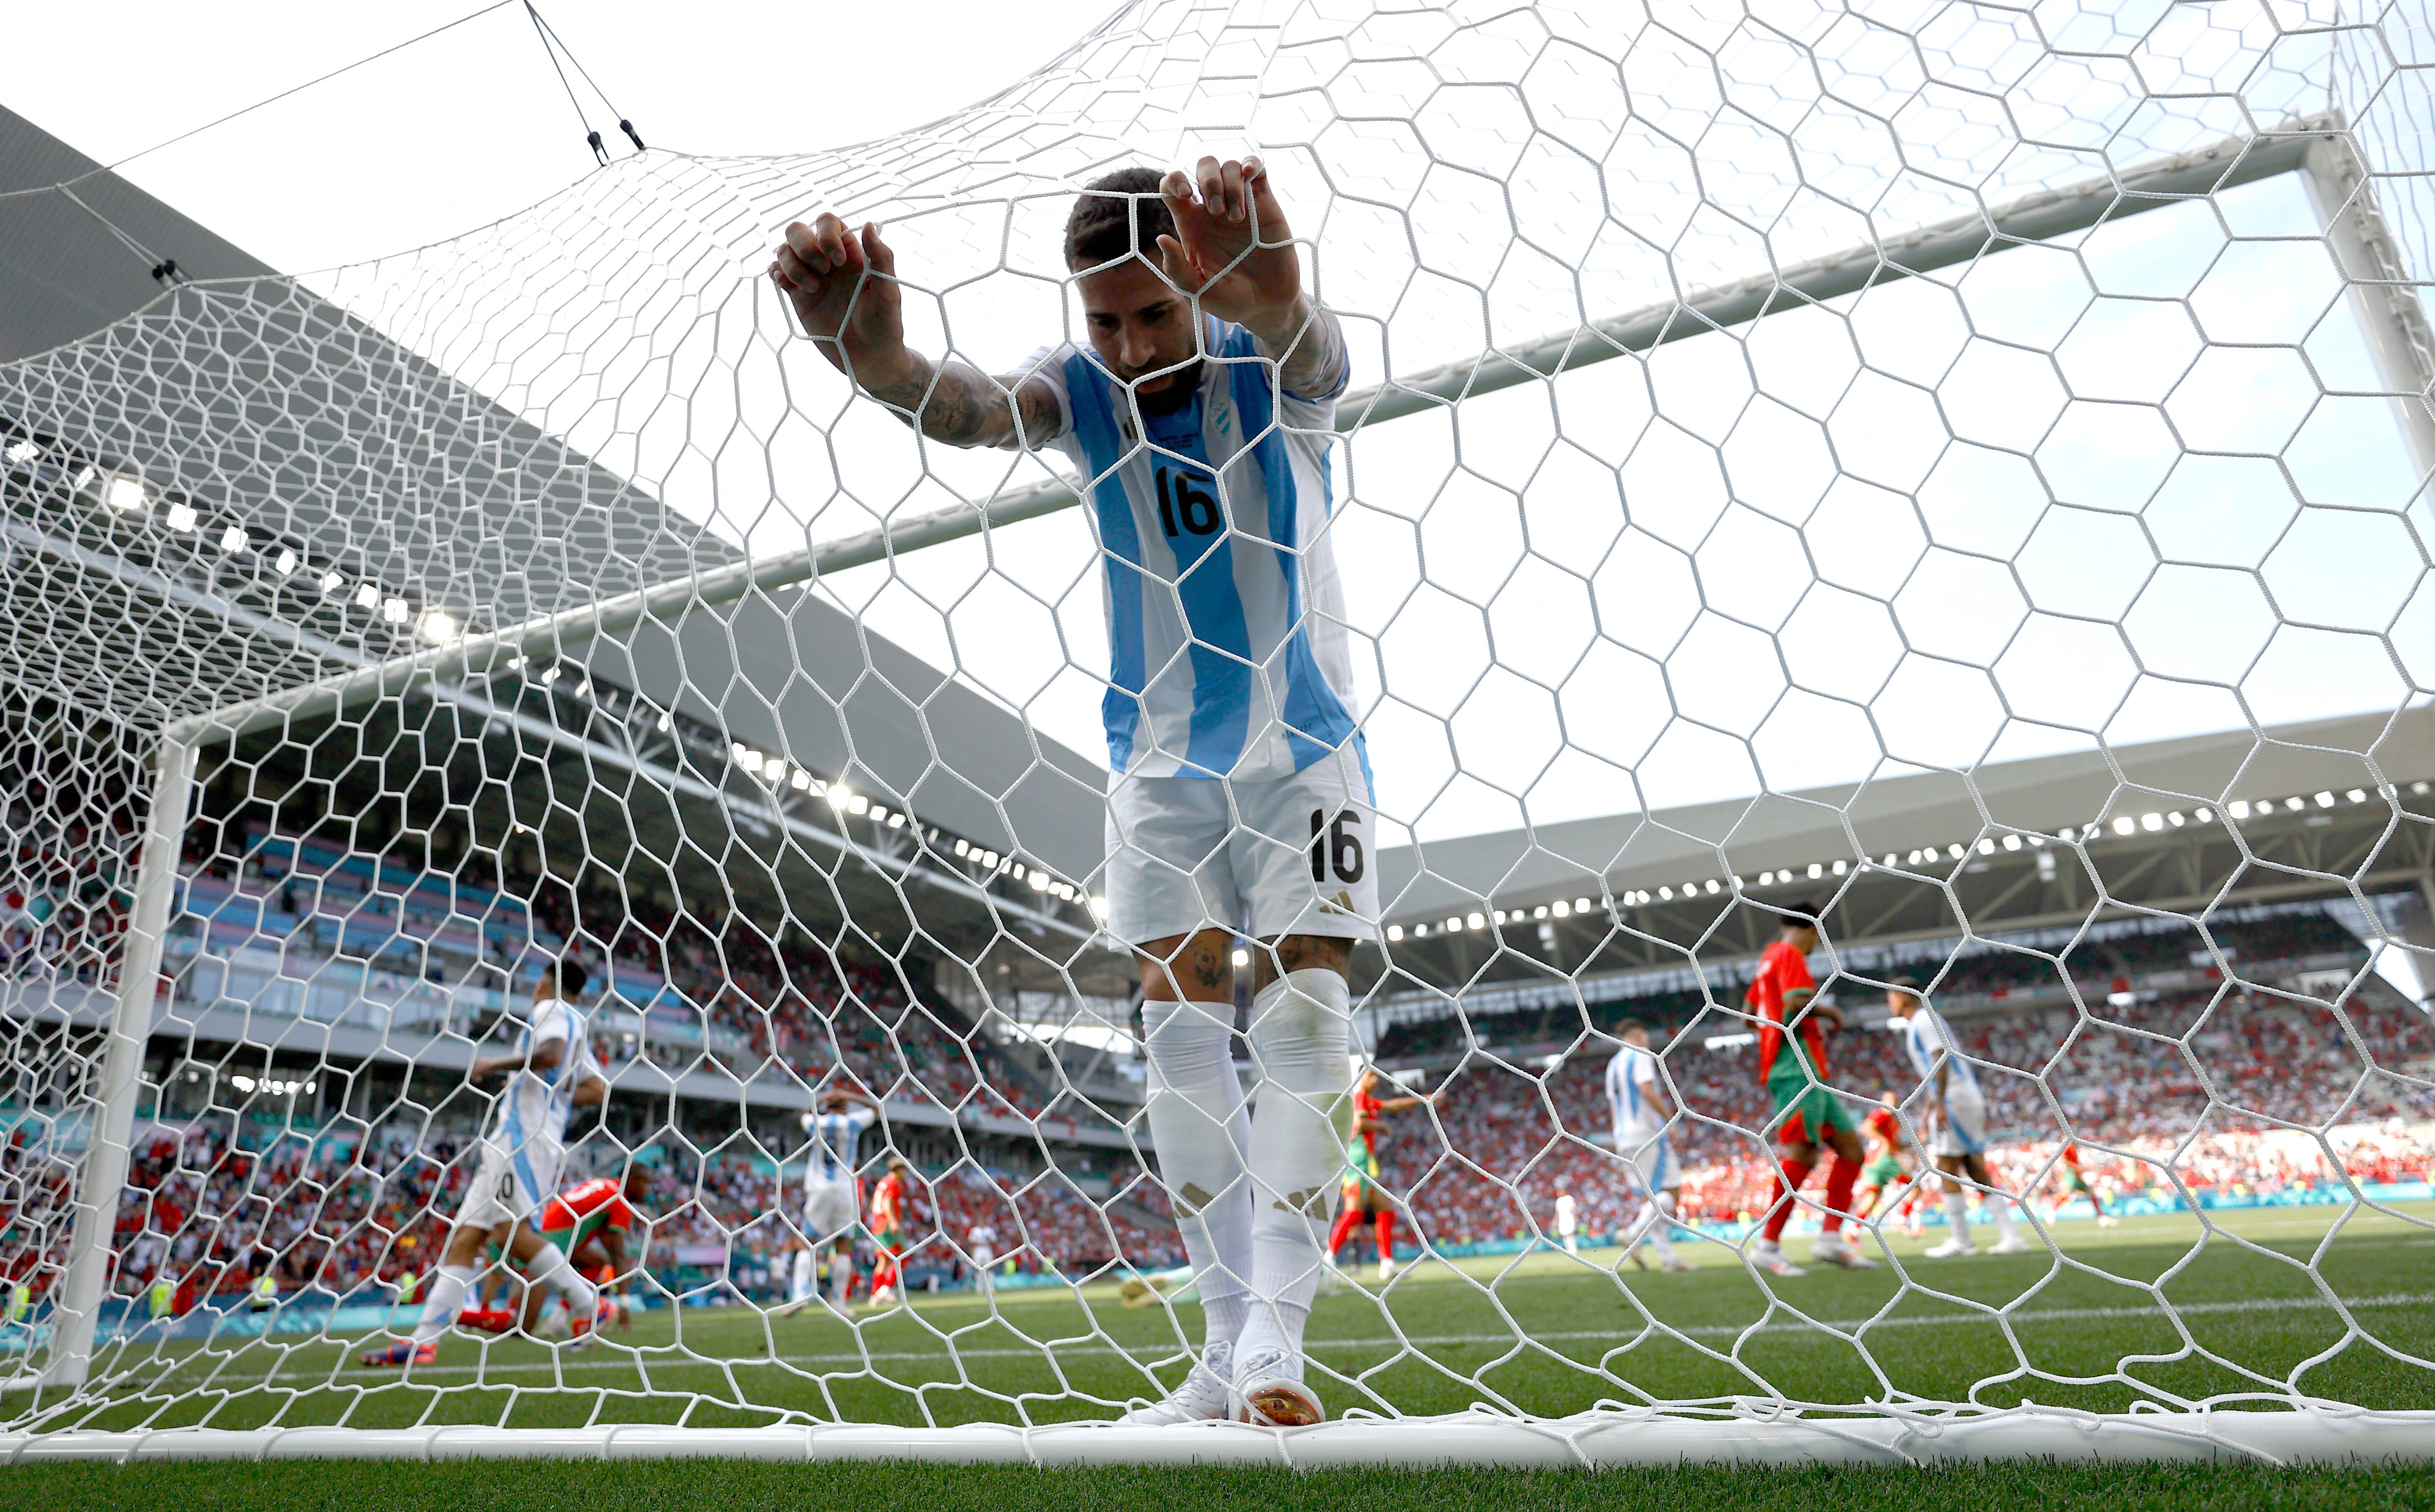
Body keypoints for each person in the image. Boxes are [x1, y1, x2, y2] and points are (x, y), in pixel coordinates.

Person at [771, 155, 1363, 1429]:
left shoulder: (1270, 364)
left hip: (1301, 742)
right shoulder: (1085, 387)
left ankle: (1278, 1335)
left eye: (1155, 313)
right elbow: (978, 408)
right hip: (1155, 761)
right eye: (1107, 320)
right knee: (1183, 1029)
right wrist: (878, 365)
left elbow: (1310, 351)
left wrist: (1275, 294)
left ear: (1201, 284)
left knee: (1307, 1014)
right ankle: (1217, 1347)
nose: (1133, 344)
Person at [358, 959, 612, 1368]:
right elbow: (598, 1089)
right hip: (518, 1140)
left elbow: (550, 1054)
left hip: (522, 1139)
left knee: (512, 1233)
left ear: (545, 983)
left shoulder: (550, 1010)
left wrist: (494, 1064)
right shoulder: (579, 1024)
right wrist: (556, 1100)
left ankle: (589, 1303)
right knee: (465, 1238)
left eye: (537, 983)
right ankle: (423, 1342)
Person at [1745, 908, 1873, 1275]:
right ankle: (1768, 1245)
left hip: (1806, 1068)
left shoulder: (1767, 958)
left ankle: (1831, 1239)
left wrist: (1770, 1031)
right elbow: (1796, 1002)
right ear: (1810, 929)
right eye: (1819, 934)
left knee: (1851, 1149)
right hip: (1796, 1067)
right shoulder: (1790, 955)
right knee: (1802, 1152)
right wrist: (1830, 1012)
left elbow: (1747, 1012)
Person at [1884, 978, 2029, 1257]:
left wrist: (1939, 1103)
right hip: (1956, 1097)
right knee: (1972, 1167)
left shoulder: (1924, 1020)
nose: (1889, 1003)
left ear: (1904, 997)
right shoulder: (1924, 1020)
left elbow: (1940, 1058)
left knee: (1946, 1165)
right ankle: (2010, 1235)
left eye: (1891, 997)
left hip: (1954, 1099)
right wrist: (1929, 1103)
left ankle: (1962, 1240)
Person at [459, 1163, 651, 1336]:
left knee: (595, 1261)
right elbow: (618, 1256)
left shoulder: (604, 1185)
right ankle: (455, 1317)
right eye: (645, 1183)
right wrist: (624, 1306)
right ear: (632, 1180)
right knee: (521, 1325)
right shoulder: (619, 1201)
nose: (648, 1190)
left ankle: (557, 1321)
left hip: (542, 1229)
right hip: (544, 1244)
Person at [1325, 1067, 1437, 1282]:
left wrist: (1423, 1100)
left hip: (1366, 1164)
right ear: (1360, 1079)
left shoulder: (1369, 1101)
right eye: (1371, 1076)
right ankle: (1328, 1261)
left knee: (1386, 1210)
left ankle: (1387, 1263)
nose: (1375, 1080)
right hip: (1357, 1162)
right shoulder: (1358, 1098)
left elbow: (1392, 1105)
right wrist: (1380, 1125)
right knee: (1353, 1212)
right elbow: (1357, 1123)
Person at [1605, 1019, 1693, 1272]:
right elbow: (1646, 1089)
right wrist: (1669, 1119)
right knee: (1672, 1192)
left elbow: (1614, 1104)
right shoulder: (1640, 1054)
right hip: (1647, 1134)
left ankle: (1668, 1258)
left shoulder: (1612, 1065)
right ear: (1640, 1034)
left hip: (1623, 1137)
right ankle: (1633, 1233)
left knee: (1652, 1201)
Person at [787, 1085, 880, 1314]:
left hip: (819, 1189)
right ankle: (839, 1303)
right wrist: (851, 1095)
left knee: (808, 1244)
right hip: (844, 1189)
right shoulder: (852, 1123)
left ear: (827, 1107)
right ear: (845, 1108)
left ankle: (800, 1295)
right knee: (843, 1246)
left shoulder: (815, 1123)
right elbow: (877, 1110)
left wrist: (821, 1098)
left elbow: (802, 1115)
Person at [1853, 1093, 1922, 1234]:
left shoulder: (1891, 1121)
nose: (1893, 1103)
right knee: (1916, 1187)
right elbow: (1866, 1129)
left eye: (1895, 1100)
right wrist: (1883, 1142)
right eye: (1890, 1100)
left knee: (1872, 1197)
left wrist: (1915, 1141)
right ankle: (1902, 1219)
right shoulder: (1881, 1114)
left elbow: (1895, 1146)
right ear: (1883, 1101)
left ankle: (1853, 1231)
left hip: (1872, 1162)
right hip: (1883, 1160)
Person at [866, 1154, 913, 1310]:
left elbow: (874, 1203)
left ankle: (876, 1294)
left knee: (884, 1261)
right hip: (886, 1225)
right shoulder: (893, 1183)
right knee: (902, 1256)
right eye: (905, 1169)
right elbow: (887, 1202)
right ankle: (884, 1289)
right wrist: (893, 1220)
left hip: (877, 1224)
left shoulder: (882, 1183)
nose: (906, 1173)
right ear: (898, 1169)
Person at [2051, 1140, 2118, 1228]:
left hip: (2077, 1175)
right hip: (2071, 1174)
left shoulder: (2074, 1149)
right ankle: (2052, 1211)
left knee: (2091, 1193)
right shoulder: (2069, 1147)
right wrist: (2078, 1168)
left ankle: (2102, 1217)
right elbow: (2063, 1160)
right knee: (2067, 1193)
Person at [967, 1218, 1000, 1298]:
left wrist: (989, 1239)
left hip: (987, 1248)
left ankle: (991, 1287)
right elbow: (970, 1241)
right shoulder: (975, 1230)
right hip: (978, 1249)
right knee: (978, 1268)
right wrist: (977, 1240)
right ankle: (979, 1288)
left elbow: (995, 1241)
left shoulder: (989, 1230)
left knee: (990, 1268)